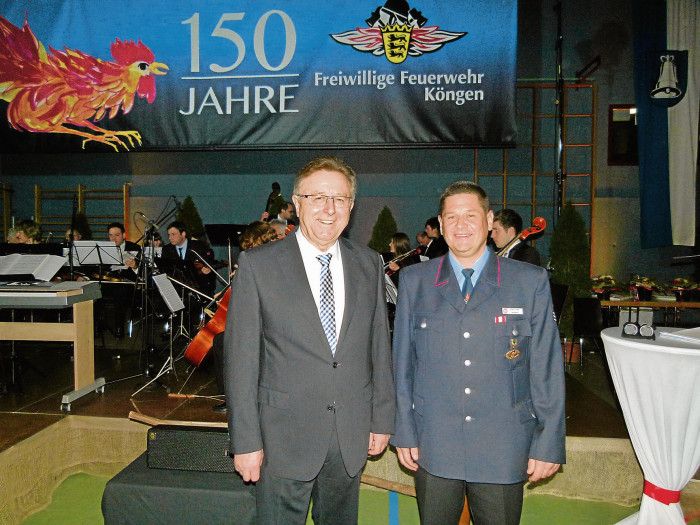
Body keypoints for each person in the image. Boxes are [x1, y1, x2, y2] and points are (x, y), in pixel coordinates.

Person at [224, 156, 395, 524]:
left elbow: (378, 346)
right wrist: (245, 441)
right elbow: (241, 361)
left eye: (340, 198)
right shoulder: (258, 265)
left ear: (351, 206)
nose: (329, 209)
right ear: (297, 203)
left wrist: (382, 418)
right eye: (317, 197)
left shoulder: (369, 263)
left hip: (349, 433)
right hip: (281, 438)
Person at [392, 181, 565, 525]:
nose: (461, 225)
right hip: (435, 440)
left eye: (470, 215)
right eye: (451, 217)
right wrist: (405, 430)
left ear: (488, 221)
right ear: (441, 226)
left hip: (502, 442)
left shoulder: (528, 281)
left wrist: (548, 440)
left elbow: (545, 365)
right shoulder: (415, 282)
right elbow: (403, 365)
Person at [211, 220, 278, 414]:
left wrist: (239, 280)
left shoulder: (255, 260)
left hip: (265, 326)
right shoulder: (274, 257)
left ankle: (230, 398)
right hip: (266, 322)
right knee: (223, 339)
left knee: (223, 342)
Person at [161, 221, 216, 297]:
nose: (170, 238)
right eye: (169, 235)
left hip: (198, 290)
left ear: (183, 234)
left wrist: (208, 269)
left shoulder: (199, 246)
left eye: (173, 234)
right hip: (176, 291)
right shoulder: (166, 249)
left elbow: (209, 264)